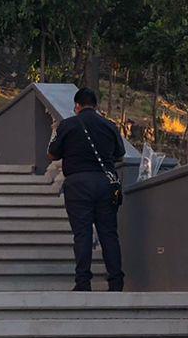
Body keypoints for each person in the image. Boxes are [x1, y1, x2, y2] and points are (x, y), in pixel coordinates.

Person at [48, 87, 128, 291]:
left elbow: (52, 155)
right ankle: (116, 282)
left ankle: (83, 282)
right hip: (105, 184)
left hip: (78, 184)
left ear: (77, 106)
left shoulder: (67, 125)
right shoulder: (109, 126)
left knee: (82, 234)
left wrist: (55, 132)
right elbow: (120, 154)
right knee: (109, 233)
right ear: (96, 105)